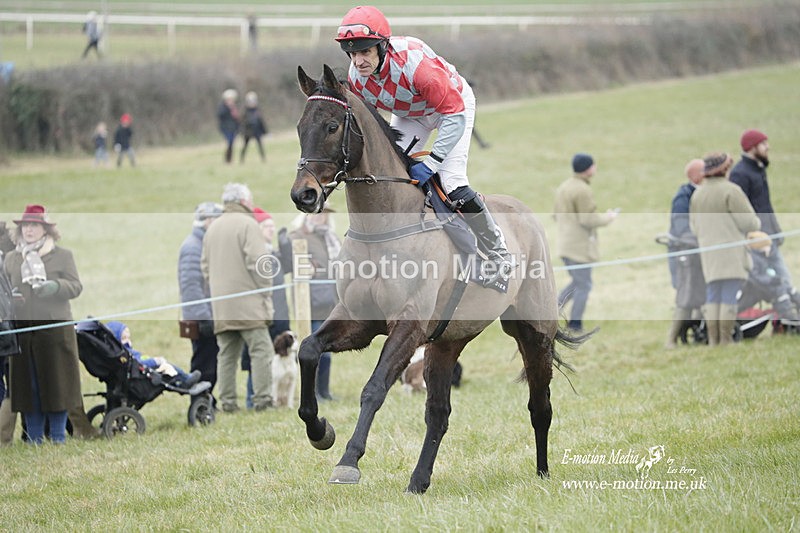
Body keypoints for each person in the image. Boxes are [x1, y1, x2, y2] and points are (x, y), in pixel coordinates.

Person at [334, 5, 512, 286]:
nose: (358, 61)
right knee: (391, 174)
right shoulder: (357, 78)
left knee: (452, 181)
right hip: (411, 114)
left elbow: (454, 116)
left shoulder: (417, 67)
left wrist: (432, 163)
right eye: (352, 54)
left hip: (452, 109)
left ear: (382, 46)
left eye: (365, 52)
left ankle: (498, 251)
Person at [3, 205, 84, 444]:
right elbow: (5, 289)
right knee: (28, 388)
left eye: (34, 225)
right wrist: (12, 298)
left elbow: (76, 286)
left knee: (57, 385)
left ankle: (58, 437)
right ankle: (34, 438)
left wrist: (56, 287)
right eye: (25, 226)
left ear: (45, 229)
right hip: (23, 333)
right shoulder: (12, 258)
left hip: (55, 333)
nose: (29, 230)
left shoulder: (62, 255)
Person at [201, 183, 275, 412]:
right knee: (262, 350)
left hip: (221, 306)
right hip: (249, 304)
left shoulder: (212, 228)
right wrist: (266, 290)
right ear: (243, 201)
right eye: (250, 200)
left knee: (226, 356)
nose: (252, 204)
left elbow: (205, 267)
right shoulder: (248, 224)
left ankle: (228, 403)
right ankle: (263, 401)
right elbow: (259, 263)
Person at [690, 153, 761, 347]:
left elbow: (694, 227)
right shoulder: (731, 191)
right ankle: (726, 339)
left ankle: (713, 340)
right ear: (724, 169)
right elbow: (749, 222)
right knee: (729, 294)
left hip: (708, 254)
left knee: (713, 294)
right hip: (731, 253)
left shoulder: (698, 194)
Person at [729, 129, 800, 309]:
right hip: (756, 240)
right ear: (752, 147)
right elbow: (739, 211)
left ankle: (788, 316)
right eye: (763, 144)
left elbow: (765, 206)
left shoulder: (758, 169)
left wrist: (776, 232)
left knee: (784, 280)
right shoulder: (740, 174)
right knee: (774, 283)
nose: (767, 147)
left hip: (769, 236)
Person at [553, 153, 618, 332]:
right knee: (584, 285)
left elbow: (555, 215)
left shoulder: (564, 187)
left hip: (565, 245)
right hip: (579, 248)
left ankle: (552, 312)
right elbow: (588, 219)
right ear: (588, 169)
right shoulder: (582, 190)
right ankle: (574, 323)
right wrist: (609, 217)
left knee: (578, 282)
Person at [289, 205, 341, 401]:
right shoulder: (298, 236)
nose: (321, 216)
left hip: (330, 302)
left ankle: (324, 391)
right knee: (311, 350)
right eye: (317, 213)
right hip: (309, 302)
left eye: (324, 214)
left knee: (326, 351)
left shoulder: (331, 237)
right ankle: (312, 393)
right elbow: (292, 260)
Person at [241, 208, 291, 409]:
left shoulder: (273, 252)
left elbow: (289, 267)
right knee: (258, 359)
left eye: (272, 226)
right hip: (260, 314)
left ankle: (275, 398)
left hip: (280, 314)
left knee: (279, 358)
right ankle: (252, 398)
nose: (271, 229)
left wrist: (285, 245)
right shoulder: (253, 253)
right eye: (266, 226)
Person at [178, 202, 223, 391]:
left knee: (211, 363)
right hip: (202, 319)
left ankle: (206, 401)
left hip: (207, 315)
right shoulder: (193, 247)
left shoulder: (202, 244)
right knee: (204, 365)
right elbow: (191, 287)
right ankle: (200, 401)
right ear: (208, 221)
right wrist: (204, 318)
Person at [664, 158, 706, 348]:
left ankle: (696, 333)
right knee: (685, 296)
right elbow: (682, 228)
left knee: (699, 294)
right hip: (684, 255)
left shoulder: (699, 194)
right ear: (696, 176)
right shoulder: (683, 197)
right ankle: (671, 339)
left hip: (696, 252)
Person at [105, 321, 201, 388]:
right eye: (124, 339)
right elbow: (138, 363)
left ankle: (179, 381)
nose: (128, 341)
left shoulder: (119, 352)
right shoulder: (124, 353)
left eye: (128, 338)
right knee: (167, 366)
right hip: (140, 371)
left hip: (139, 367)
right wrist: (155, 361)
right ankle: (185, 379)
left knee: (166, 369)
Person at [742, 231, 800, 320]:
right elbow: (756, 277)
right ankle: (789, 316)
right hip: (761, 287)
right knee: (780, 292)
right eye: (767, 246)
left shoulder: (763, 257)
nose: (769, 248)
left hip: (767, 285)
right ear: (760, 247)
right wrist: (772, 280)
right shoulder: (753, 259)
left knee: (790, 290)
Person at [240, 91, 268, 163]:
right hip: (248, 132)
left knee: (260, 145)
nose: (252, 103)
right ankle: (242, 159)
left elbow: (261, 122)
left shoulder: (257, 111)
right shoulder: (245, 111)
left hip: (257, 131)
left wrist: (264, 131)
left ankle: (263, 158)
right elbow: (242, 122)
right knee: (245, 146)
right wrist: (243, 131)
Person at [217, 89, 240, 164]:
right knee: (229, 142)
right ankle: (227, 159)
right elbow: (220, 116)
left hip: (233, 128)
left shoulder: (234, 108)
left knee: (232, 143)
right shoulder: (222, 107)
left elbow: (237, 118)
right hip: (226, 128)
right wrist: (228, 108)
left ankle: (229, 159)